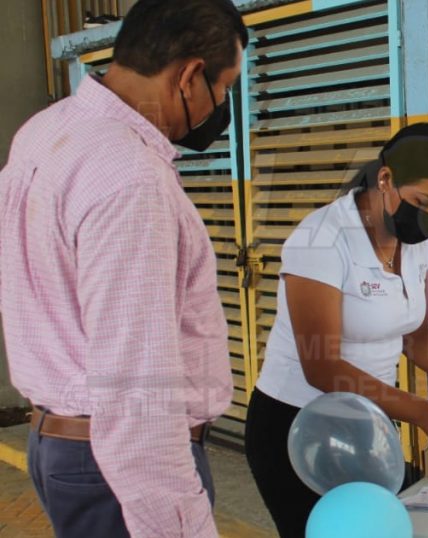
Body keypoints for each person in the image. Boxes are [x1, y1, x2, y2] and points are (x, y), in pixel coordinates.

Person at [0, 1, 247, 536]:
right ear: (188, 76)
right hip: (116, 465)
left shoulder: (45, 131)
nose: (222, 106)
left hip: (65, 445)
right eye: (224, 88)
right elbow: (138, 389)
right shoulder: (130, 177)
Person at [245, 123, 428, 537]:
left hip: (369, 423)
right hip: (298, 428)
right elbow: (322, 367)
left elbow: (418, 337)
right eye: (424, 202)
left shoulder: (414, 241)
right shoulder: (320, 239)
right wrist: (424, 412)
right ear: (385, 179)